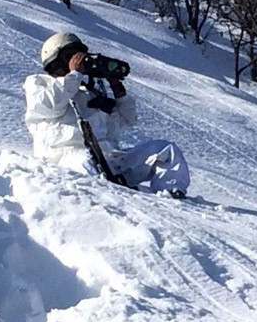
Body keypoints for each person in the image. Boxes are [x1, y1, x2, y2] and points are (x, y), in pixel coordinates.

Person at [23, 31, 190, 198]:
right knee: (87, 164)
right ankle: (108, 200)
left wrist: (117, 89)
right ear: (55, 62)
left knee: (165, 150)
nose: (78, 61)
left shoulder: (90, 92)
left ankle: (171, 191)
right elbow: (51, 104)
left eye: (80, 56)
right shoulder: (39, 84)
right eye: (70, 56)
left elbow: (129, 120)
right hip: (65, 157)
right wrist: (74, 74)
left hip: (109, 159)